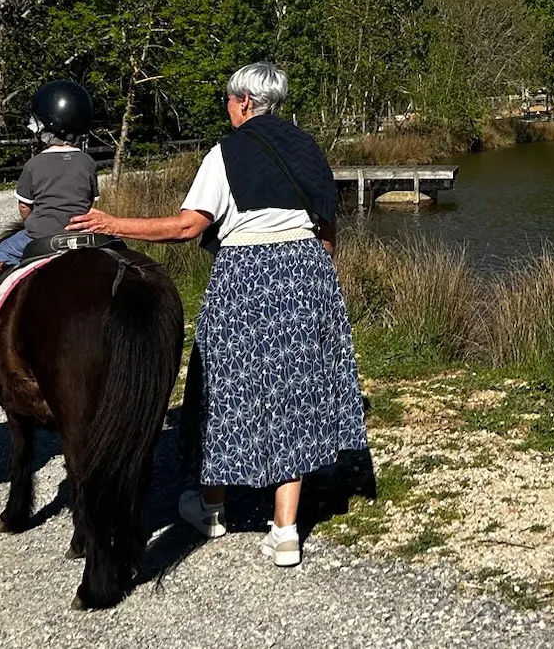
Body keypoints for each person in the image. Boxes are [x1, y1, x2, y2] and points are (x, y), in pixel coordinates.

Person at [68, 62, 367, 567]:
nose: (227, 108)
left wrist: (112, 222)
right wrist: (307, 268)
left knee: (222, 383)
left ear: (246, 101)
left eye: (229, 100)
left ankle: (211, 508)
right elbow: (329, 232)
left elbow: (188, 227)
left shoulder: (224, 154)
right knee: (293, 388)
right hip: (308, 271)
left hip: (246, 274)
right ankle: (286, 530)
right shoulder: (309, 148)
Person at [0, 80, 98, 317]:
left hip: (41, 235)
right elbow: (91, 201)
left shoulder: (34, 164)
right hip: (83, 234)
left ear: (48, 125)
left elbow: (24, 206)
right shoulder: (88, 162)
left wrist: (36, 219)